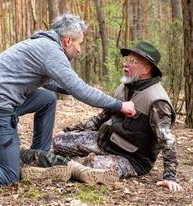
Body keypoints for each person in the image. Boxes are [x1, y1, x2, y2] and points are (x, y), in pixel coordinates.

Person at [0, 13, 136, 194]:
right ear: (67, 41)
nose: (80, 50)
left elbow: (58, 84)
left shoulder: (42, 45)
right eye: (79, 43)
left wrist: (79, 88)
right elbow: (79, 90)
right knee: (8, 175)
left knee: (46, 99)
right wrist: (118, 105)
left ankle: (38, 158)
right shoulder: (51, 51)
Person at [48, 41, 182, 192]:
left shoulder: (157, 101)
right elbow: (101, 118)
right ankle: (58, 162)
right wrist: (69, 130)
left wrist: (170, 176)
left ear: (146, 69)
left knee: (84, 165)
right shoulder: (123, 87)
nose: (126, 64)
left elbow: (167, 140)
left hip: (131, 159)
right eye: (127, 59)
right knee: (58, 141)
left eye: (133, 61)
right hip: (104, 140)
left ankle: (54, 165)